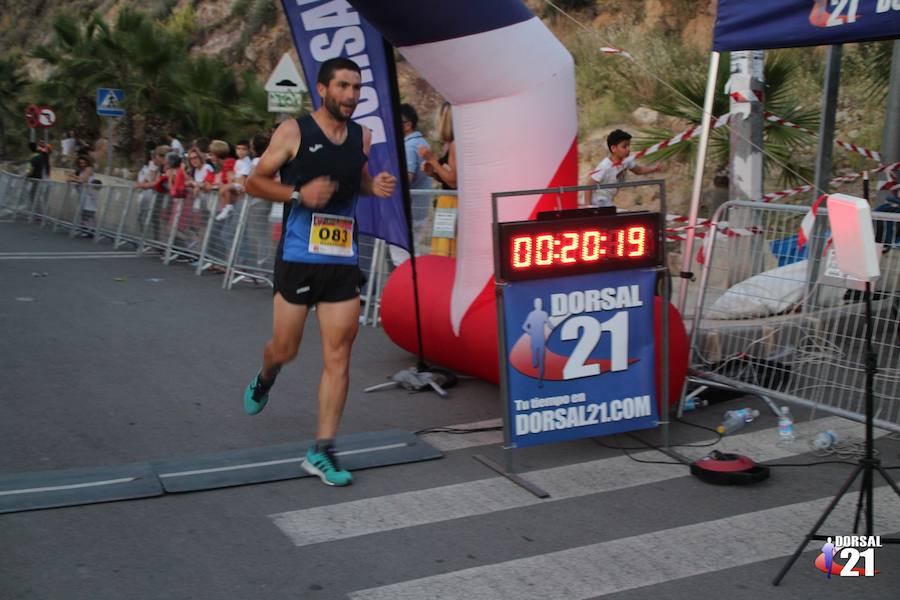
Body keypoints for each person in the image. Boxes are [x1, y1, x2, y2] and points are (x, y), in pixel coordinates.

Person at [244, 57, 397, 487]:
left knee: (339, 354)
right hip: (298, 257)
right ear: (323, 88)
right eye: (343, 86)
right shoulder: (294, 131)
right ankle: (266, 376)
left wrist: (374, 185)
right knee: (285, 349)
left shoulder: (362, 137)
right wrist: (298, 193)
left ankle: (322, 449)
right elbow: (254, 182)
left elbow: (357, 179)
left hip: (342, 259)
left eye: (357, 87)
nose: (351, 95)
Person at [389, 103, 432, 266]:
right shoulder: (422, 143)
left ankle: (406, 289)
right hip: (420, 210)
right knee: (414, 253)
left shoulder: (408, 146)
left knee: (401, 257)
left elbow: (407, 177)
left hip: (408, 211)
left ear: (407, 125)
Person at [582, 129, 662, 208]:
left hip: (607, 200)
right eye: (624, 146)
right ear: (613, 148)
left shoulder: (626, 161)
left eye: (628, 146)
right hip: (597, 201)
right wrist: (588, 207)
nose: (628, 149)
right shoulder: (605, 165)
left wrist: (653, 169)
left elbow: (638, 170)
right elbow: (588, 186)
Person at [419, 102, 457, 257]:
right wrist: (434, 173)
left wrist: (432, 160)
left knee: (447, 250)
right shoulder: (448, 145)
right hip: (446, 203)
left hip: (452, 204)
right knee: (442, 248)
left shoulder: (455, 145)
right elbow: (448, 178)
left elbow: (454, 181)